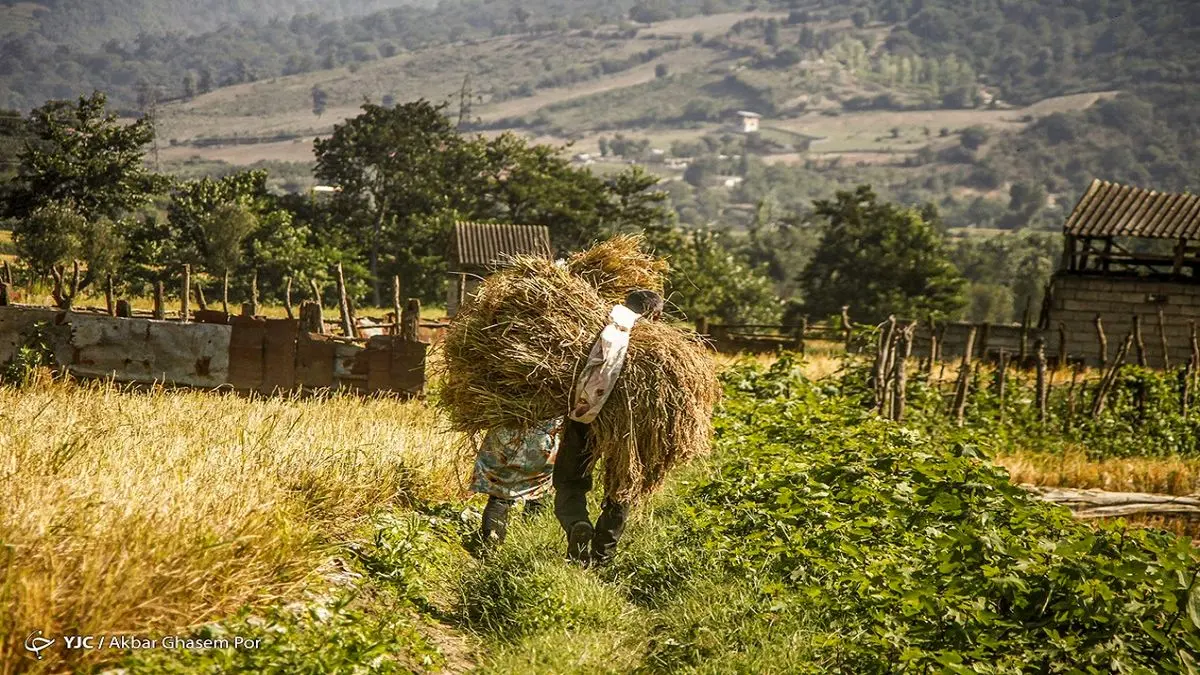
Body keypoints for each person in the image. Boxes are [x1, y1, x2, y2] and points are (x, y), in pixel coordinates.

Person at [553, 289, 665, 566]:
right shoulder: (665, 352)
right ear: (656, 315)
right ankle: (602, 557)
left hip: (584, 419)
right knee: (621, 488)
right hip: (631, 431)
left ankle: (577, 523)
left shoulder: (593, 333)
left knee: (569, 480)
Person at [469, 417, 562, 550]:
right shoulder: (554, 404)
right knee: (539, 492)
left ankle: (492, 542)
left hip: (504, 440)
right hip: (541, 444)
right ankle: (530, 545)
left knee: (500, 496)